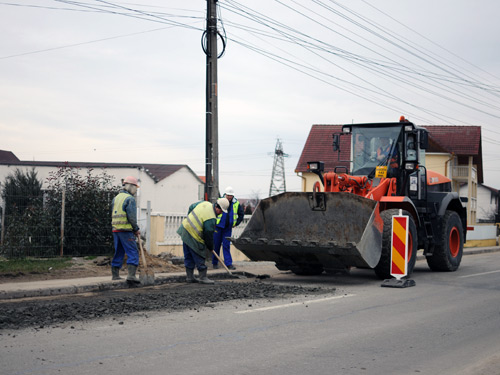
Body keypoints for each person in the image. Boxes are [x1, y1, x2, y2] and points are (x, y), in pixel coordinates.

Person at [177, 197, 230, 284]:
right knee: (199, 253)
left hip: (185, 229)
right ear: (218, 208)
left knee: (189, 255)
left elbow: (191, 206)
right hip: (193, 234)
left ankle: (189, 277)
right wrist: (210, 247)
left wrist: (190, 219)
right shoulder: (211, 218)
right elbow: (208, 235)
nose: (221, 214)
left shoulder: (205, 203)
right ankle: (203, 277)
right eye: (221, 211)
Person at [110, 176, 141, 284]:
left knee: (119, 252)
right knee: (133, 252)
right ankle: (131, 276)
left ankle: (115, 275)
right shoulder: (130, 199)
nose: (135, 190)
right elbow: (131, 217)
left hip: (115, 230)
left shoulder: (116, 198)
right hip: (126, 231)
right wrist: (136, 229)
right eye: (135, 188)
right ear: (131, 186)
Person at [212, 186, 245, 270]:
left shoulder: (236, 203)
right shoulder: (219, 201)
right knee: (216, 245)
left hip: (228, 228)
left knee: (226, 246)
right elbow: (213, 212)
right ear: (225, 195)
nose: (229, 197)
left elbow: (241, 215)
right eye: (228, 195)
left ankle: (228, 264)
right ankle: (214, 263)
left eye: (231, 195)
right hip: (218, 227)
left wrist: (236, 223)